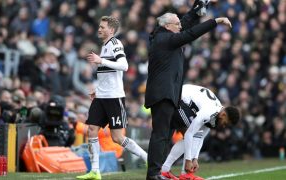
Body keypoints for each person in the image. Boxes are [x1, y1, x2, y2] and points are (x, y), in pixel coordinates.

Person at [144, 1, 232, 179]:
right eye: (177, 24)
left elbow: (184, 23)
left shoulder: (165, 35)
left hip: (168, 94)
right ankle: (153, 175)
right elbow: (191, 34)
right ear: (168, 26)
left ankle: (158, 172)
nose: (180, 26)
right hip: (163, 94)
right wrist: (216, 21)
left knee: (164, 136)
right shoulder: (165, 39)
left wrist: (196, 9)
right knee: (160, 136)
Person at [76, 16, 147, 180]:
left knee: (117, 137)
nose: (99, 29)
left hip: (114, 98)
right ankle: (95, 171)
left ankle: (146, 157)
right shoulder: (105, 46)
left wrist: (101, 60)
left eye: (102, 27)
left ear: (111, 30)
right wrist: (97, 90)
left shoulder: (115, 44)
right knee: (91, 130)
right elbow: (107, 74)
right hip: (101, 96)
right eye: (99, 26)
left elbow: (124, 65)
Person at [160, 84, 240, 180]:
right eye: (225, 123)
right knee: (191, 135)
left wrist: (195, 159)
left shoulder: (216, 115)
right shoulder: (209, 112)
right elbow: (189, 134)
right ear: (223, 115)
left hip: (185, 102)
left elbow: (201, 137)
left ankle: (170, 171)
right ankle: (182, 174)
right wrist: (188, 160)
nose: (224, 126)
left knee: (195, 135)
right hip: (176, 98)